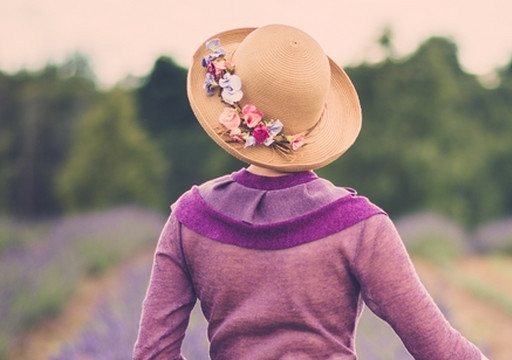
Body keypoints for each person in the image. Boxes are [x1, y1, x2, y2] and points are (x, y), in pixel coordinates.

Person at [133, 24, 489, 360]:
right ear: (316, 119)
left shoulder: (189, 218)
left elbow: (152, 354)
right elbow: (439, 349)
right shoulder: (361, 227)